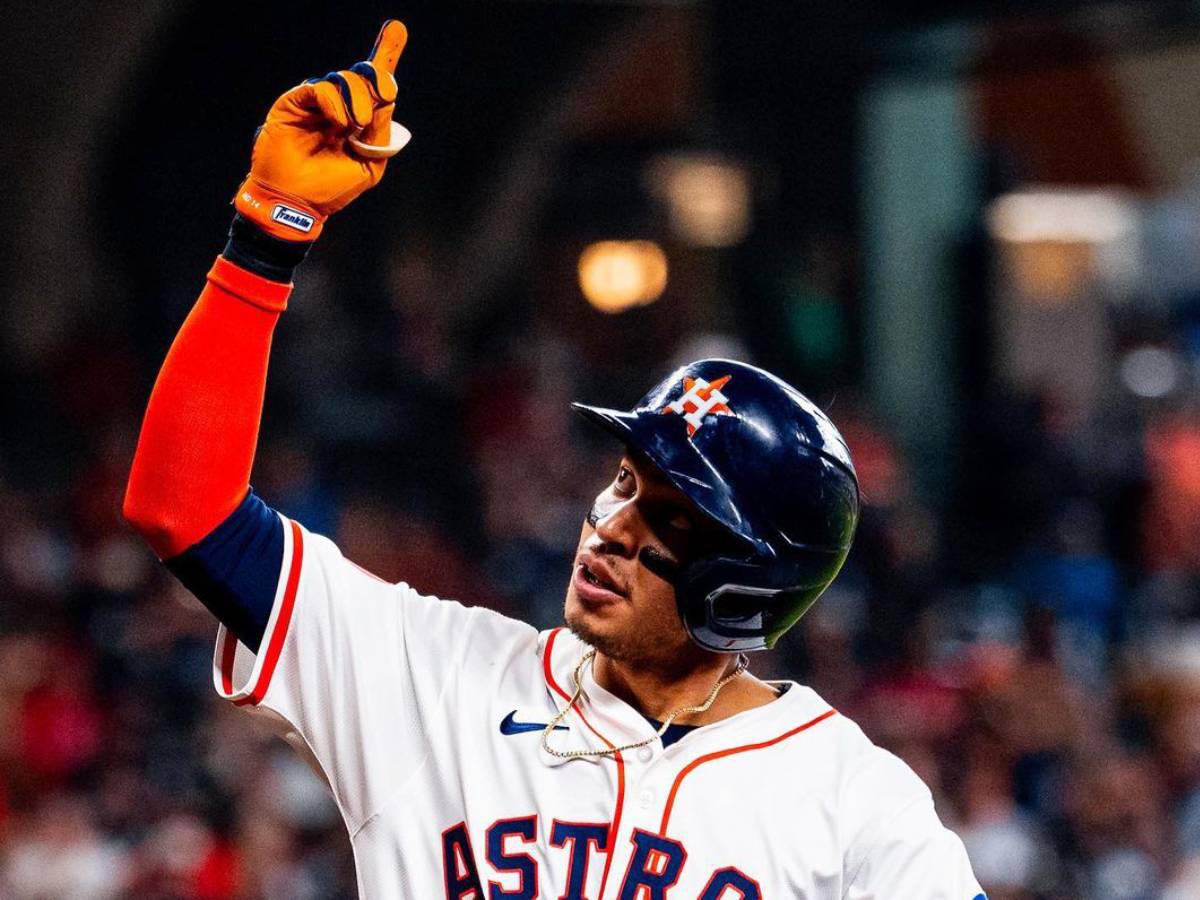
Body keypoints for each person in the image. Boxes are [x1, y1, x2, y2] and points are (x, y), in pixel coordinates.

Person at [122, 20, 985, 900]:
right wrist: (268, 233)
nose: (611, 526)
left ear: (746, 589)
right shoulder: (437, 677)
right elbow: (184, 512)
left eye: (670, 517)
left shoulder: (853, 806)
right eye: (623, 484)